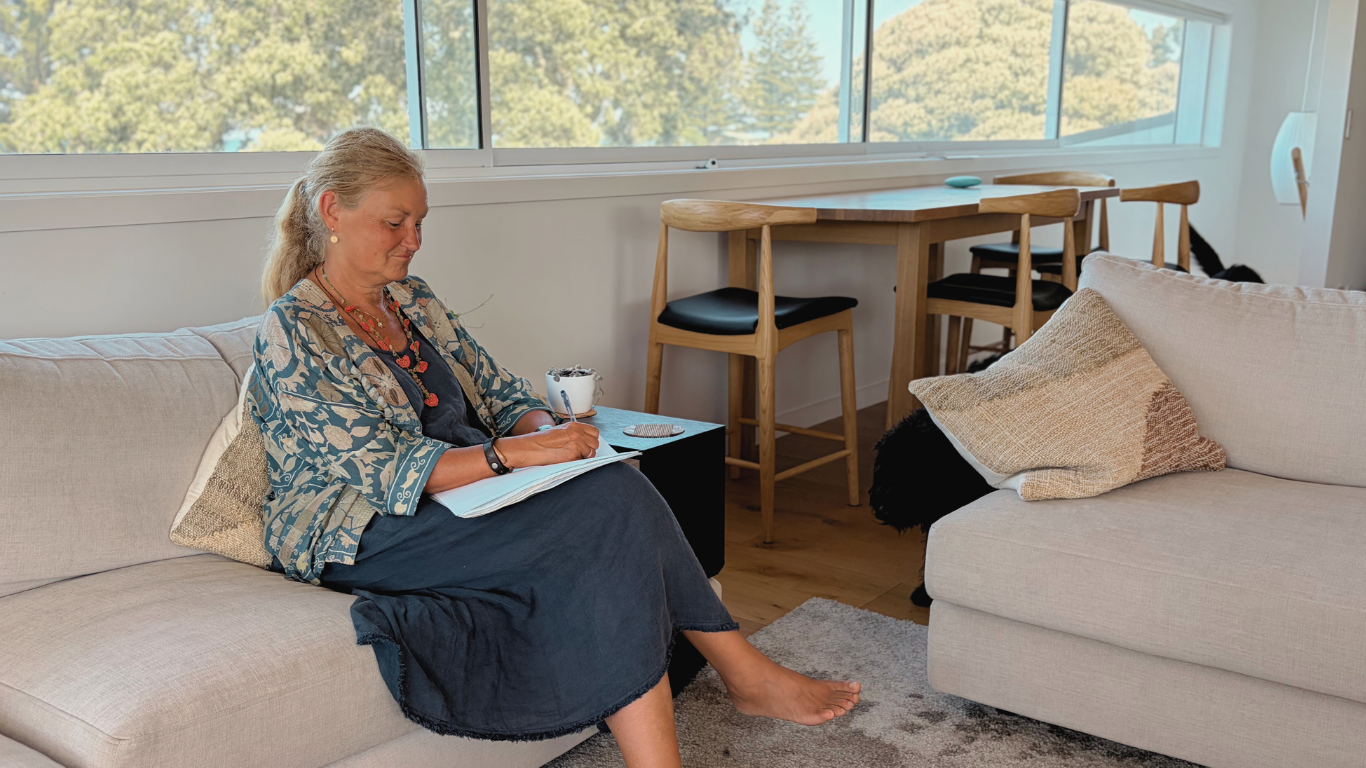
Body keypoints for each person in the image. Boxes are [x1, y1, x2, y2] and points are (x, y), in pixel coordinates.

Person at [249, 127, 860, 767]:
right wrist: (511, 458)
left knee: (610, 490)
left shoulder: (414, 301)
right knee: (610, 508)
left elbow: (500, 392)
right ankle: (743, 675)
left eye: (421, 222)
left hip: (466, 494)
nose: (414, 241)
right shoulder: (293, 329)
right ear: (332, 213)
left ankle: (726, 695)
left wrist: (542, 431)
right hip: (363, 530)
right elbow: (384, 472)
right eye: (395, 222)